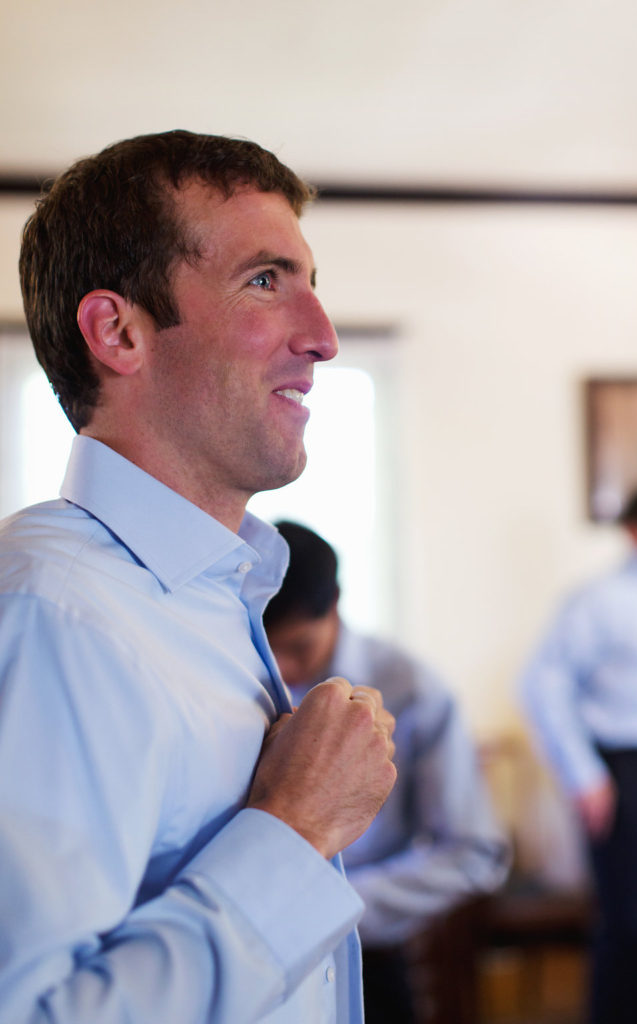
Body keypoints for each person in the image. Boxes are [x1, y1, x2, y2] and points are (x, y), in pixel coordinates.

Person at [0, 130, 398, 1023]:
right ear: (120, 331)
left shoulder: (210, 602)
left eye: (311, 284)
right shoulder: (48, 614)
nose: (323, 338)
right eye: (265, 281)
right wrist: (295, 835)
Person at [264, 521, 510, 1024]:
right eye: (272, 649)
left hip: (368, 947)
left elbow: (475, 850)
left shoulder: (414, 688)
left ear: (334, 604)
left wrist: (333, 905)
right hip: (254, 947)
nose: (284, 670)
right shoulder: (246, 682)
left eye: (299, 647)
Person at [520, 483, 637, 1024]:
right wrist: (585, 776)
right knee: (625, 919)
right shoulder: (598, 600)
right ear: (635, 531)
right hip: (616, 769)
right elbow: (545, 685)